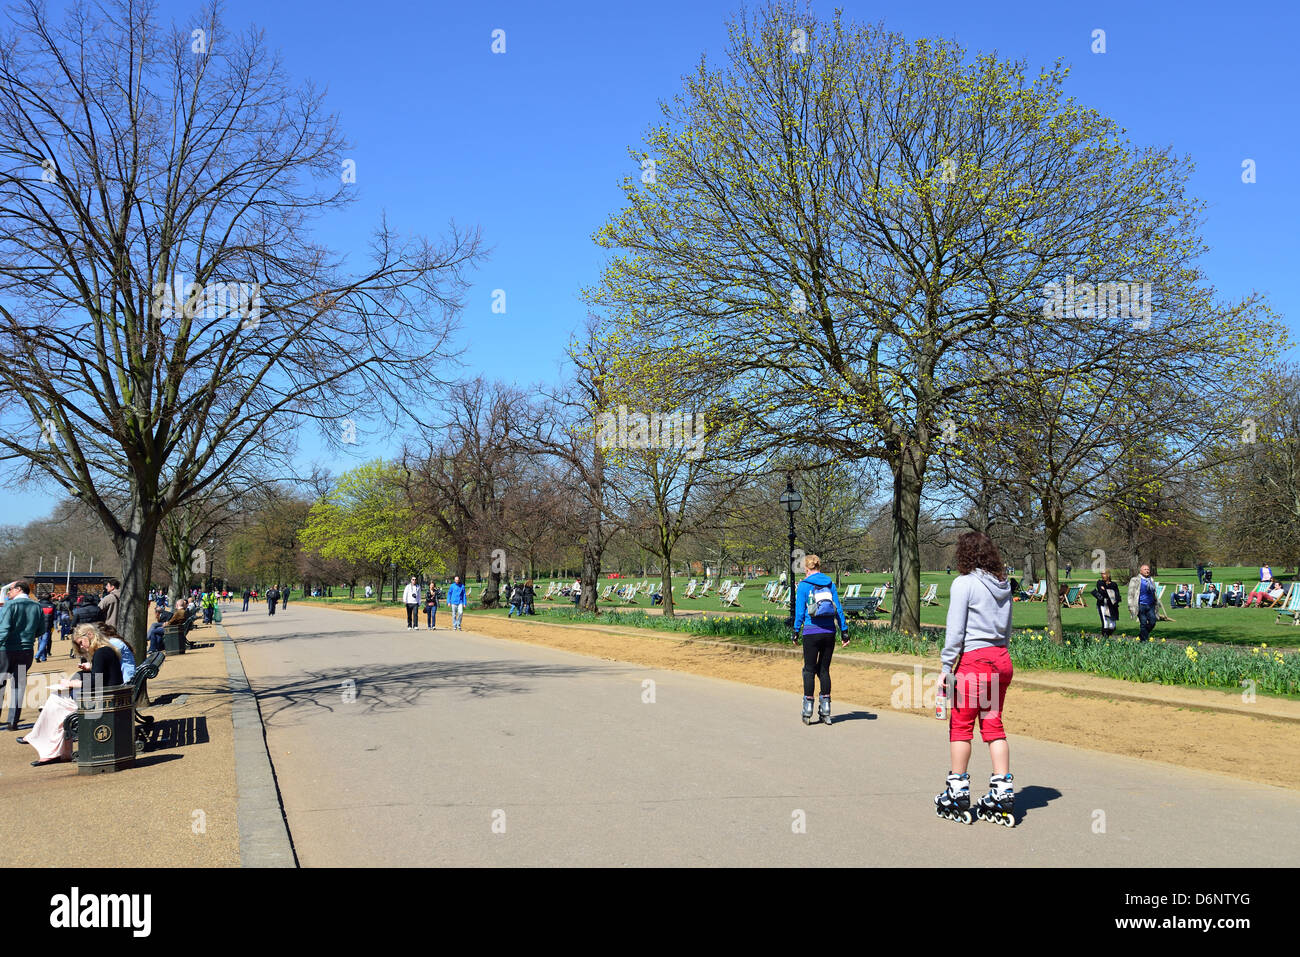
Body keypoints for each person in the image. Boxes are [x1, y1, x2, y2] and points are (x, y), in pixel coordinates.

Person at [934, 532, 1015, 826]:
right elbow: (1007, 628)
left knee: (961, 724)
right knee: (993, 724)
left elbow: (955, 631)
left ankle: (957, 790)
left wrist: (946, 666)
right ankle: (1002, 789)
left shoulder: (964, 584)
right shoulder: (1003, 584)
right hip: (1000, 659)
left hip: (974, 661)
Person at [20, 623, 124, 766]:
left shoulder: (101, 653)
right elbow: (103, 675)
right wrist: (91, 667)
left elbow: (96, 681)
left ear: (90, 635)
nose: (82, 647)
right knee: (57, 702)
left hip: (106, 700)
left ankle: (53, 749)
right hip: (111, 695)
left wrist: (72, 684)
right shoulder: (106, 650)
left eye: (81, 643)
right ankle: (56, 750)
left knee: (56, 702)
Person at [791, 554, 848, 726]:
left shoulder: (803, 585)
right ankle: (826, 711)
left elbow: (800, 612)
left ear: (807, 569)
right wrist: (844, 631)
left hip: (811, 632)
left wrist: (795, 630)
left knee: (808, 669)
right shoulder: (830, 583)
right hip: (829, 632)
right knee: (824, 670)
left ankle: (807, 709)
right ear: (819, 567)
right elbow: (838, 609)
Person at [0, 580, 43, 730]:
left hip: (6, 650)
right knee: (18, 686)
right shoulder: (37, 606)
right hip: (26, 650)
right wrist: (29, 637)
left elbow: (4, 628)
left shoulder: (10, 606)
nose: (8, 593)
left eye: (10, 590)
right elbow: (42, 629)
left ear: (18, 589)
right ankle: (13, 722)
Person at [1127, 564, 1159, 641]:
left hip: (1150, 605)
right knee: (1143, 623)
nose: (1147, 571)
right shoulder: (1135, 580)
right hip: (1140, 605)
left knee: (1153, 622)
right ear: (1140, 571)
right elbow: (1130, 594)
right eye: (1145, 569)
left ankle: (1141, 635)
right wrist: (1130, 606)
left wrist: (1156, 603)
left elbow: (1154, 592)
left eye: (1148, 569)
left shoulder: (1151, 580)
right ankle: (1144, 641)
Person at [1091, 570, 1120, 638]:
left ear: (1108, 575)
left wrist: (1106, 591)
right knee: (1105, 623)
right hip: (1102, 604)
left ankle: (1108, 636)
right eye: (1101, 574)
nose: (1102, 575)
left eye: (1104, 574)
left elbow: (1117, 595)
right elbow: (1102, 593)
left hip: (1112, 606)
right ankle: (1105, 639)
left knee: (1112, 626)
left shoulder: (1114, 584)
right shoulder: (1100, 583)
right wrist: (1108, 592)